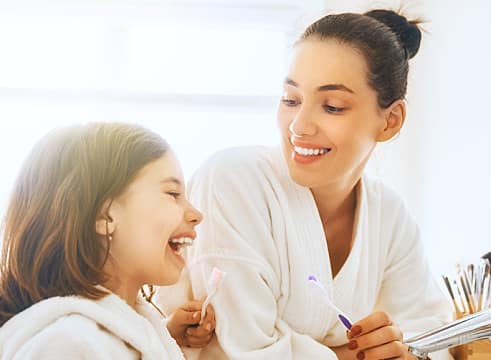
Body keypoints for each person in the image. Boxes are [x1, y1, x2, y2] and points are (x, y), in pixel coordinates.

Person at [159, 9, 453, 360]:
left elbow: (433, 336)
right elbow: (245, 350)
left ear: (390, 121)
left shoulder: (389, 215)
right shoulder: (232, 181)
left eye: (332, 106)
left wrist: (402, 349)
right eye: (291, 100)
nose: (299, 126)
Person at [0, 123, 215, 358]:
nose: (196, 214)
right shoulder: (66, 345)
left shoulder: (131, 334)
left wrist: (166, 339)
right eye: (173, 194)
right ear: (104, 216)